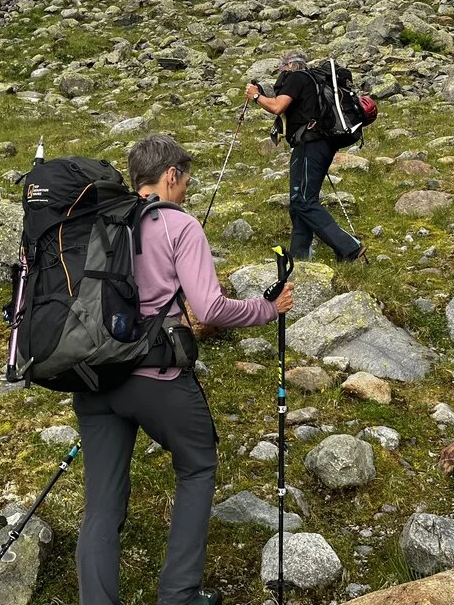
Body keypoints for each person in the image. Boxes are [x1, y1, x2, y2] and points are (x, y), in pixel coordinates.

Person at [73, 135, 294, 605]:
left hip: (93, 377)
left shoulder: (98, 221)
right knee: (197, 465)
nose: (187, 191)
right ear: (171, 175)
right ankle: (178, 595)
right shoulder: (179, 224)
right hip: (156, 376)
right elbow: (209, 308)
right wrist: (267, 309)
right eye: (186, 182)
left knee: (102, 503)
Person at [245, 51, 368, 263]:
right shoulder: (311, 81)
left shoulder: (296, 78)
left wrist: (256, 96)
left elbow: (277, 106)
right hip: (319, 143)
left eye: (281, 67)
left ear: (288, 66)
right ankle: (300, 259)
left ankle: (349, 248)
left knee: (304, 201)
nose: (280, 72)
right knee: (298, 202)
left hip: (310, 143)